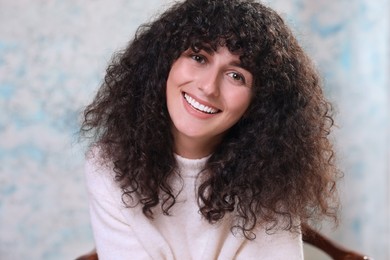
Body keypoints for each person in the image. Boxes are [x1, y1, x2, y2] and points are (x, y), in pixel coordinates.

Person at [81, 0, 340, 259]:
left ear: (259, 103)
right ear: (164, 63)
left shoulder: (271, 178)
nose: (208, 87)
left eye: (236, 75)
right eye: (198, 57)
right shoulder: (108, 166)